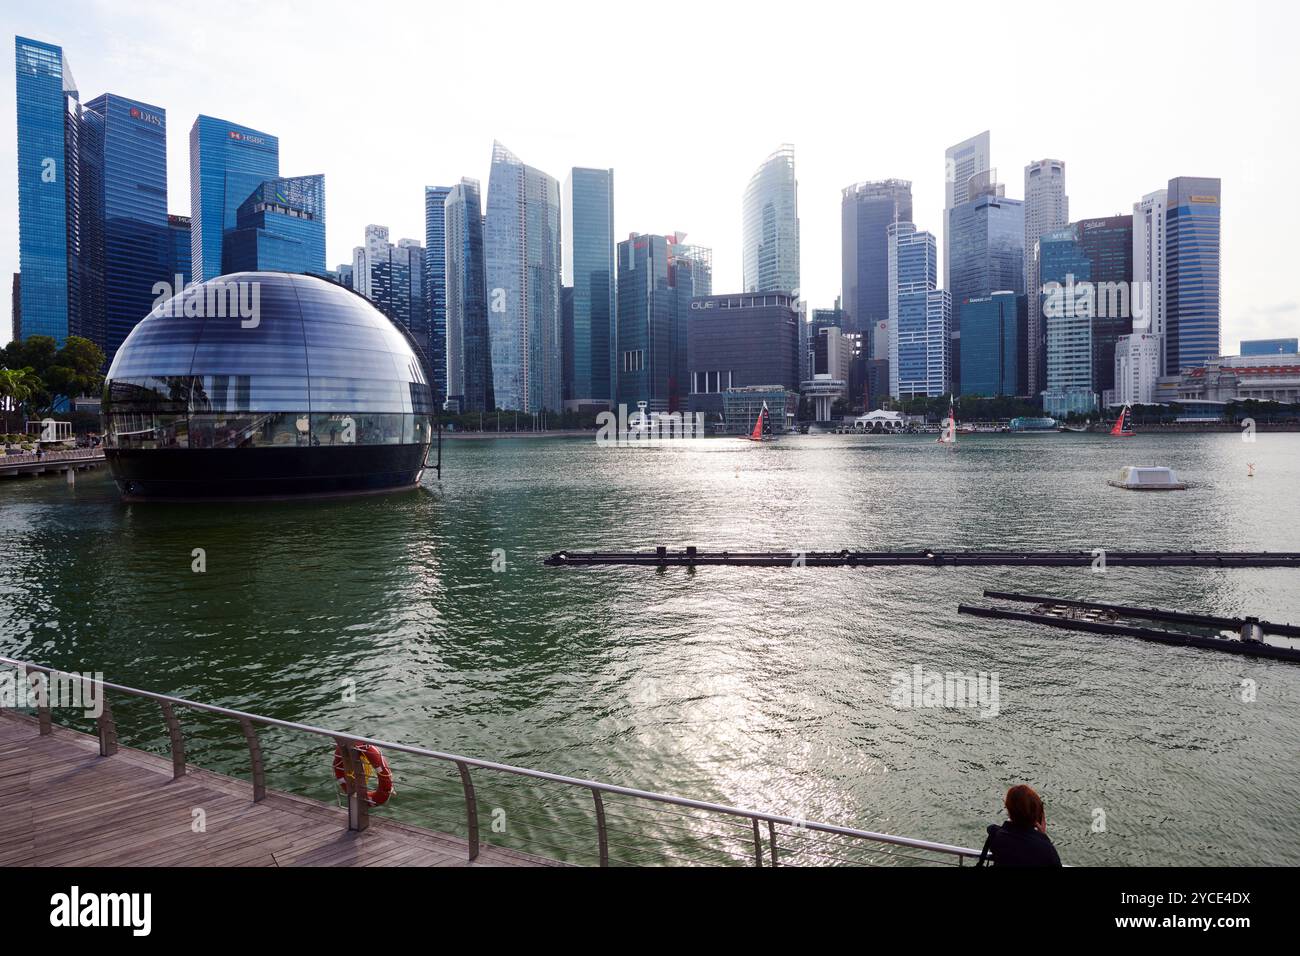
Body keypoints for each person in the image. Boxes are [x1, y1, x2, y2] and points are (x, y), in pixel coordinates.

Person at [977, 784, 1062, 867]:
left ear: (1009, 811)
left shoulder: (998, 838)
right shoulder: (1046, 849)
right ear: (1037, 816)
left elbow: (995, 832)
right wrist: (1042, 836)